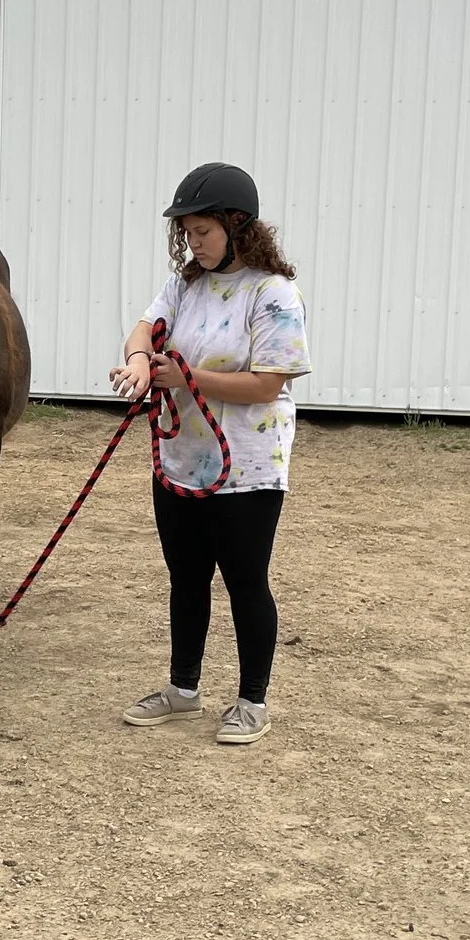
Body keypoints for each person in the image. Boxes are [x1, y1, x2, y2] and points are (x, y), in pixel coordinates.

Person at [108, 162, 311, 746]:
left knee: (246, 580)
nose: (193, 242)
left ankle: (252, 701)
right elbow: (145, 327)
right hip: (182, 457)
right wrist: (143, 361)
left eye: (203, 231)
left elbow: (268, 384)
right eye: (187, 232)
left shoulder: (273, 293)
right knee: (185, 577)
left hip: (246, 465)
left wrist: (186, 377)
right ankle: (183, 689)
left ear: (237, 225)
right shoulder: (185, 283)